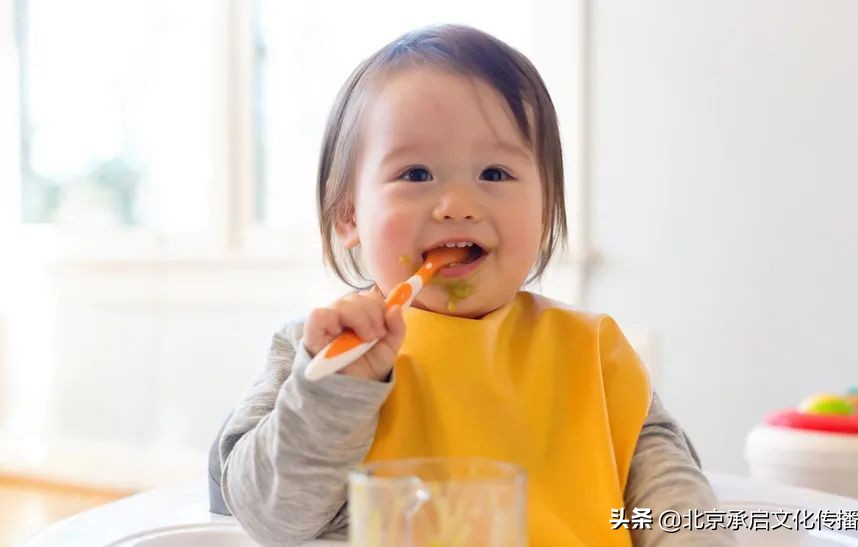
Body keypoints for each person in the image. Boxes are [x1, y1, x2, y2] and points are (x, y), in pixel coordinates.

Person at [207, 24, 736, 546]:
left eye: (495, 174)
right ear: (348, 215)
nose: (458, 205)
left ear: (546, 210)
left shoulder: (595, 356)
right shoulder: (325, 354)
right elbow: (269, 519)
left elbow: (676, 510)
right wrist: (331, 395)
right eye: (415, 174)